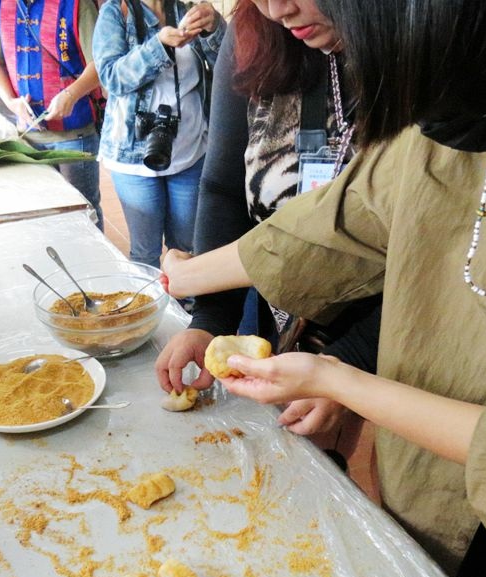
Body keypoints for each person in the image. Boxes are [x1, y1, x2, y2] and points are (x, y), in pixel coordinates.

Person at [162, 1, 486, 577]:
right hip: (435, 499)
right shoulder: (477, 114)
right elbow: (335, 222)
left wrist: (339, 379)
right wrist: (188, 281)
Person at [154, 0, 381, 464]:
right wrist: (210, 323)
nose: (279, 9)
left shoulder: (421, 49)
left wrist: (351, 363)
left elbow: (429, 249)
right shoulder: (252, 34)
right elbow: (222, 189)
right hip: (276, 311)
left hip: (385, 321)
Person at [92, 0, 225, 268]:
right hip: (132, 158)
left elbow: (227, 67)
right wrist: (158, 46)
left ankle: (185, 307)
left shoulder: (186, 9)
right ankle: (152, 309)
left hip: (190, 149)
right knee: (145, 253)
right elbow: (111, 78)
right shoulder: (116, 12)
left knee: (187, 248)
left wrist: (215, 28)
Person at [0, 0, 104, 230]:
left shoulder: (77, 4)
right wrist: (10, 101)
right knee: (40, 215)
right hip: (27, 138)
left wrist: (71, 93)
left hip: (74, 136)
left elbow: (100, 62)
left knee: (84, 212)